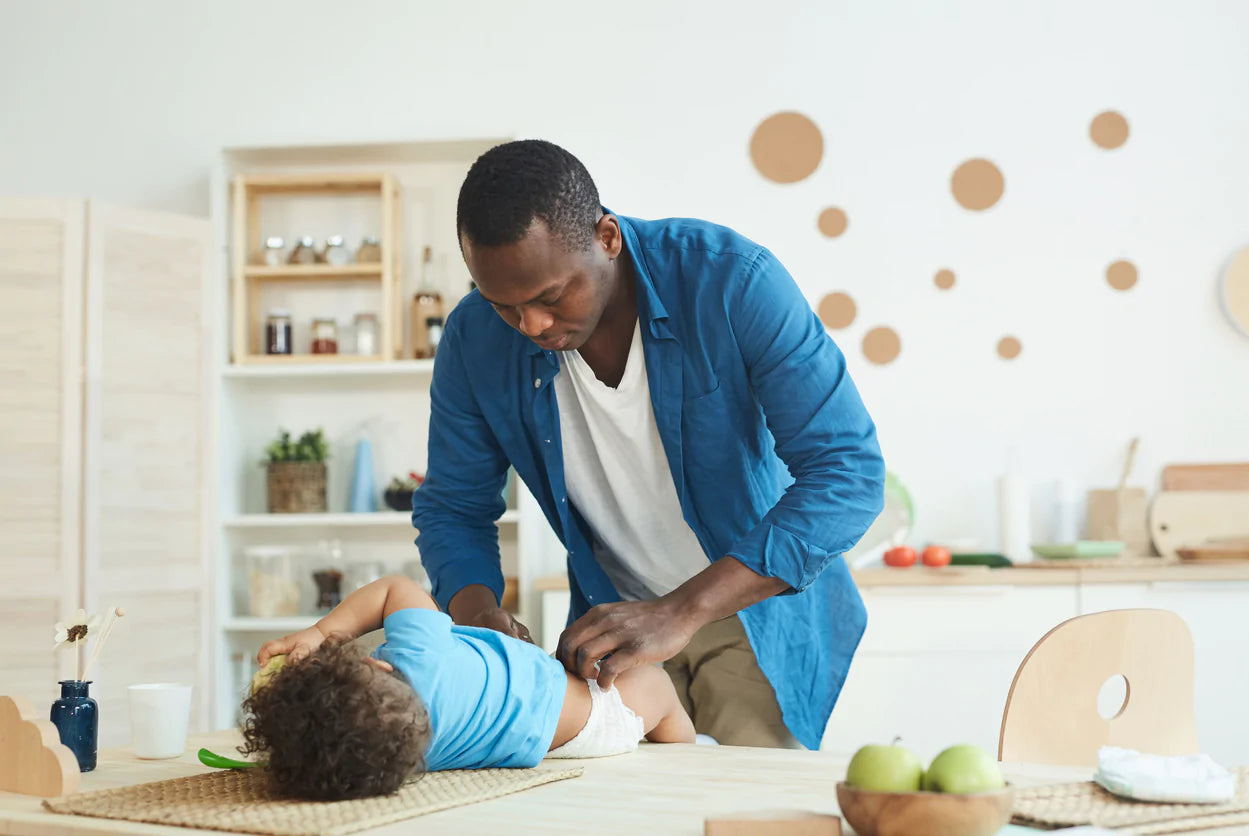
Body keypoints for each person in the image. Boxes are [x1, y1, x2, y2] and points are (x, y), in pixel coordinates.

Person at [415, 139, 885, 751]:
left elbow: (847, 473)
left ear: (606, 237)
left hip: (750, 612)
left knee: (741, 813)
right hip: (613, 623)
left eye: (550, 297)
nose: (530, 326)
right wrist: (479, 620)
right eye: (505, 304)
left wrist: (680, 611)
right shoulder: (474, 337)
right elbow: (454, 507)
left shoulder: (732, 281)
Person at [247, 574, 694, 800]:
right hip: (595, 715)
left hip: (563, 741)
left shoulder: (403, 756)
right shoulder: (418, 659)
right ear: (376, 667)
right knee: (657, 688)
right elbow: (394, 590)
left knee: (648, 701)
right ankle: (695, 749)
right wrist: (321, 632)